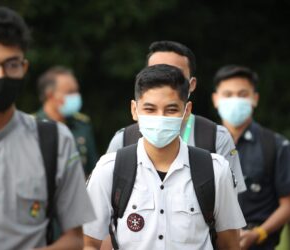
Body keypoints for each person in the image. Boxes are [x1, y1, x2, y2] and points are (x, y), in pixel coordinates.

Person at [0, 7, 95, 250]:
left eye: (11, 64)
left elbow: (75, 238)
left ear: (24, 67)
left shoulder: (54, 141)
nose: (0, 75)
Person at [83, 64, 246, 250]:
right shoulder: (109, 170)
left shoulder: (216, 171)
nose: (160, 118)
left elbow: (230, 244)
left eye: (171, 110)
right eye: (150, 109)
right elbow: (89, 243)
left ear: (186, 111)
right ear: (134, 110)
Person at [107, 40, 246, 193]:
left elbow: (229, 203)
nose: (164, 80)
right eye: (156, 72)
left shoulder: (215, 138)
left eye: (175, 74)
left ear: (191, 84)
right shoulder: (123, 139)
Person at [212, 65, 290, 250]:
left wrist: (258, 234)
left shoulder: (276, 146)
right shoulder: (203, 144)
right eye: (228, 94)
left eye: (242, 94)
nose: (235, 100)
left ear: (254, 98)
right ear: (216, 99)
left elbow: (287, 204)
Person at [36, 66, 98, 175]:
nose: (76, 96)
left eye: (76, 91)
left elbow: (92, 170)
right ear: (50, 95)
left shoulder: (82, 124)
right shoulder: (32, 126)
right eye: (70, 92)